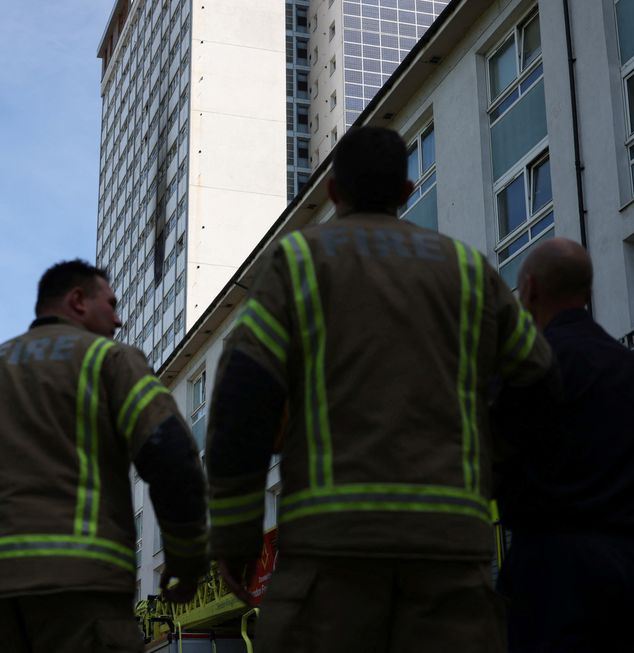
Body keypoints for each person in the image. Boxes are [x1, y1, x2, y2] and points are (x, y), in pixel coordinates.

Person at [205, 126, 555, 653]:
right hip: (450, 555)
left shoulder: (299, 261)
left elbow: (242, 403)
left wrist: (235, 538)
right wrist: (494, 468)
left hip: (332, 555)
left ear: (333, 192)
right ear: (407, 192)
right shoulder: (466, 269)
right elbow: (539, 381)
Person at [0, 259, 208, 653]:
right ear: (78, 300)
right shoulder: (111, 361)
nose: (118, 321)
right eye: (111, 305)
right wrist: (186, 561)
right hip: (80, 598)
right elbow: (172, 458)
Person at [495, 237, 634, 652]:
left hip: (551, 575)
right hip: (631, 574)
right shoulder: (632, 370)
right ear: (586, 292)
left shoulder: (527, 369)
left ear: (530, 290)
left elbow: (497, 459)